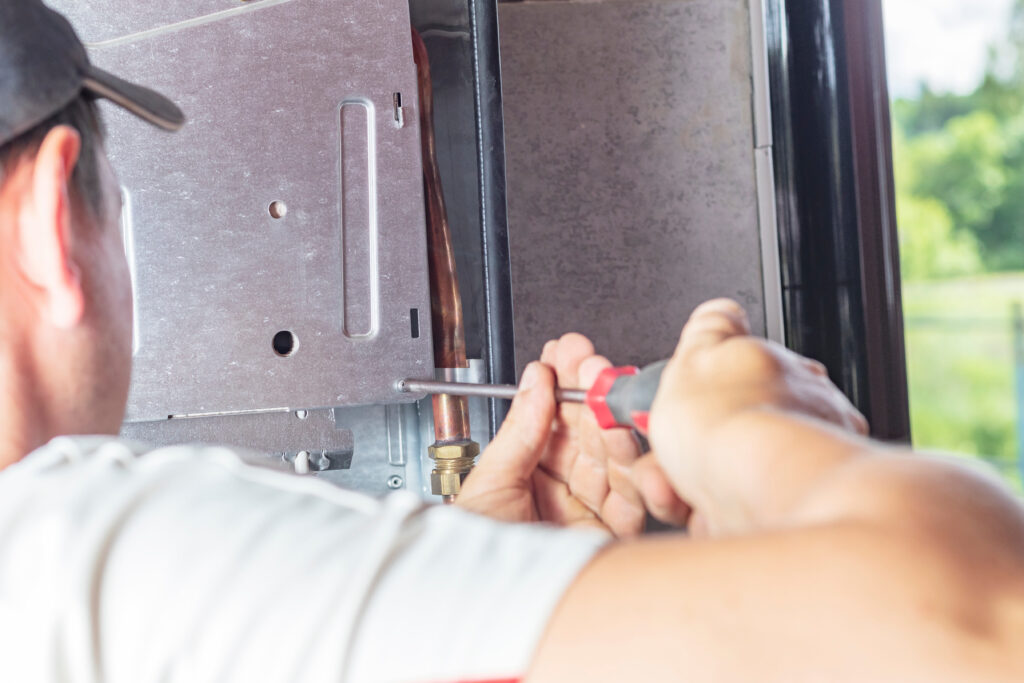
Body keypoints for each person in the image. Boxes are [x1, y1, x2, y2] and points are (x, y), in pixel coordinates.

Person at [1, 2, 1023, 681]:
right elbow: (977, 621)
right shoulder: (73, 543)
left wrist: (485, 583)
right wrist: (752, 421)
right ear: (57, 218)